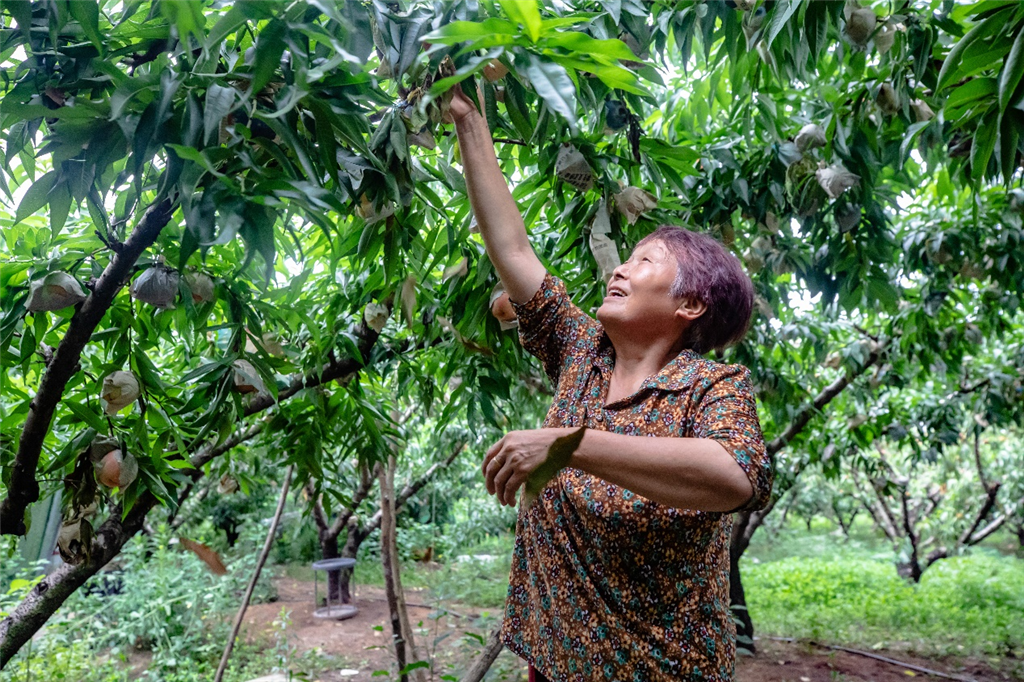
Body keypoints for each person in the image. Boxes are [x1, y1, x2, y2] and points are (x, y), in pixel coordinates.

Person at [449, 86, 774, 682]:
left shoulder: (712, 387)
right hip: (553, 664)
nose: (620, 268)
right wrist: (469, 120)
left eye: (646, 261)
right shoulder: (580, 353)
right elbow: (513, 249)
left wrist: (568, 444)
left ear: (692, 304)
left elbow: (736, 477)